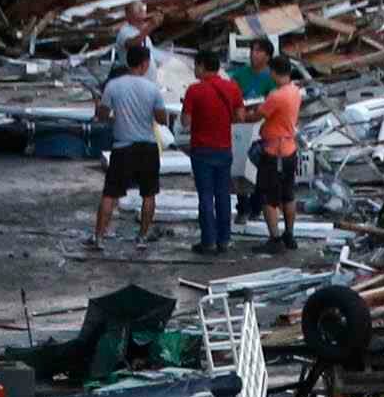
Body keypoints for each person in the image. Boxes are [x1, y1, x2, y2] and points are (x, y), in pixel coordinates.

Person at [91, 39, 166, 253]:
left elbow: (103, 116)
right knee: (149, 194)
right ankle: (142, 236)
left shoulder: (113, 86)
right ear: (144, 64)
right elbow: (161, 119)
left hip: (122, 147)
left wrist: (100, 108)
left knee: (110, 193)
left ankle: (99, 237)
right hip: (148, 147)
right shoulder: (152, 88)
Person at [180, 41, 245, 256]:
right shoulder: (232, 87)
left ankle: (208, 242)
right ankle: (224, 239)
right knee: (223, 195)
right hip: (224, 149)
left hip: (201, 150)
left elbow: (185, 123)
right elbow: (240, 117)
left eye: (196, 67)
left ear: (201, 66)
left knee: (206, 197)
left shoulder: (194, 90)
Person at [251, 49, 305, 253]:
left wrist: (243, 115)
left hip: (274, 151)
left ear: (274, 72)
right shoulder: (295, 91)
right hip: (290, 148)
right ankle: (289, 234)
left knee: (268, 197)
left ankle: (274, 238)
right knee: (288, 195)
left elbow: (258, 115)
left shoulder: (276, 95)